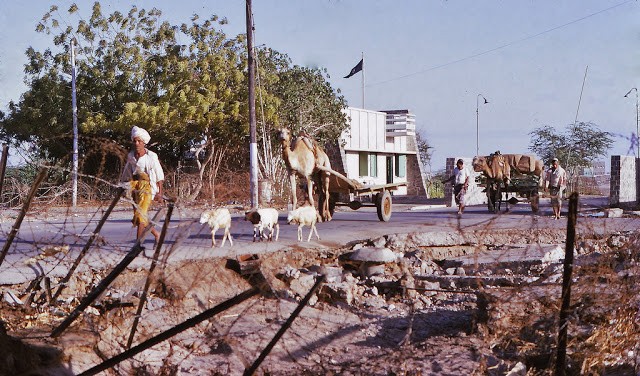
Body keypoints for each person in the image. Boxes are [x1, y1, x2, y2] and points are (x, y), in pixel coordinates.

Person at [120, 126, 165, 244]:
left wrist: (160, 193)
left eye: (139, 141)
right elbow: (127, 171)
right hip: (135, 188)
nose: (136, 143)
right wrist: (123, 185)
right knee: (140, 216)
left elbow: (159, 174)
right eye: (135, 141)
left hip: (147, 188)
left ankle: (138, 243)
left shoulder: (151, 157)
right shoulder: (131, 156)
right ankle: (156, 234)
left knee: (141, 215)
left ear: (144, 142)